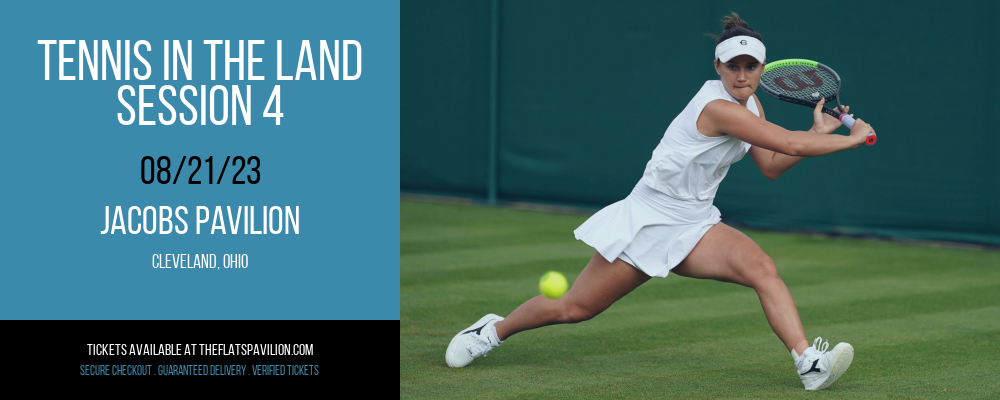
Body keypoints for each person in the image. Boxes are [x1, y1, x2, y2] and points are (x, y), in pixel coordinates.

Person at [445, 13, 874, 391]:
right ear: (718, 67)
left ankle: (808, 362)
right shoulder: (717, 106)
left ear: (762, 68)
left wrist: (820, 133)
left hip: (697, 222)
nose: (741, 75)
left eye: (750, 66)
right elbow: (787, 143)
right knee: (574, 308)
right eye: (733, 66)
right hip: (650, 218)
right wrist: (850, 141)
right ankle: (492, 331)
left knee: (761, 268)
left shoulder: (752, 105)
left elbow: (773, 164)